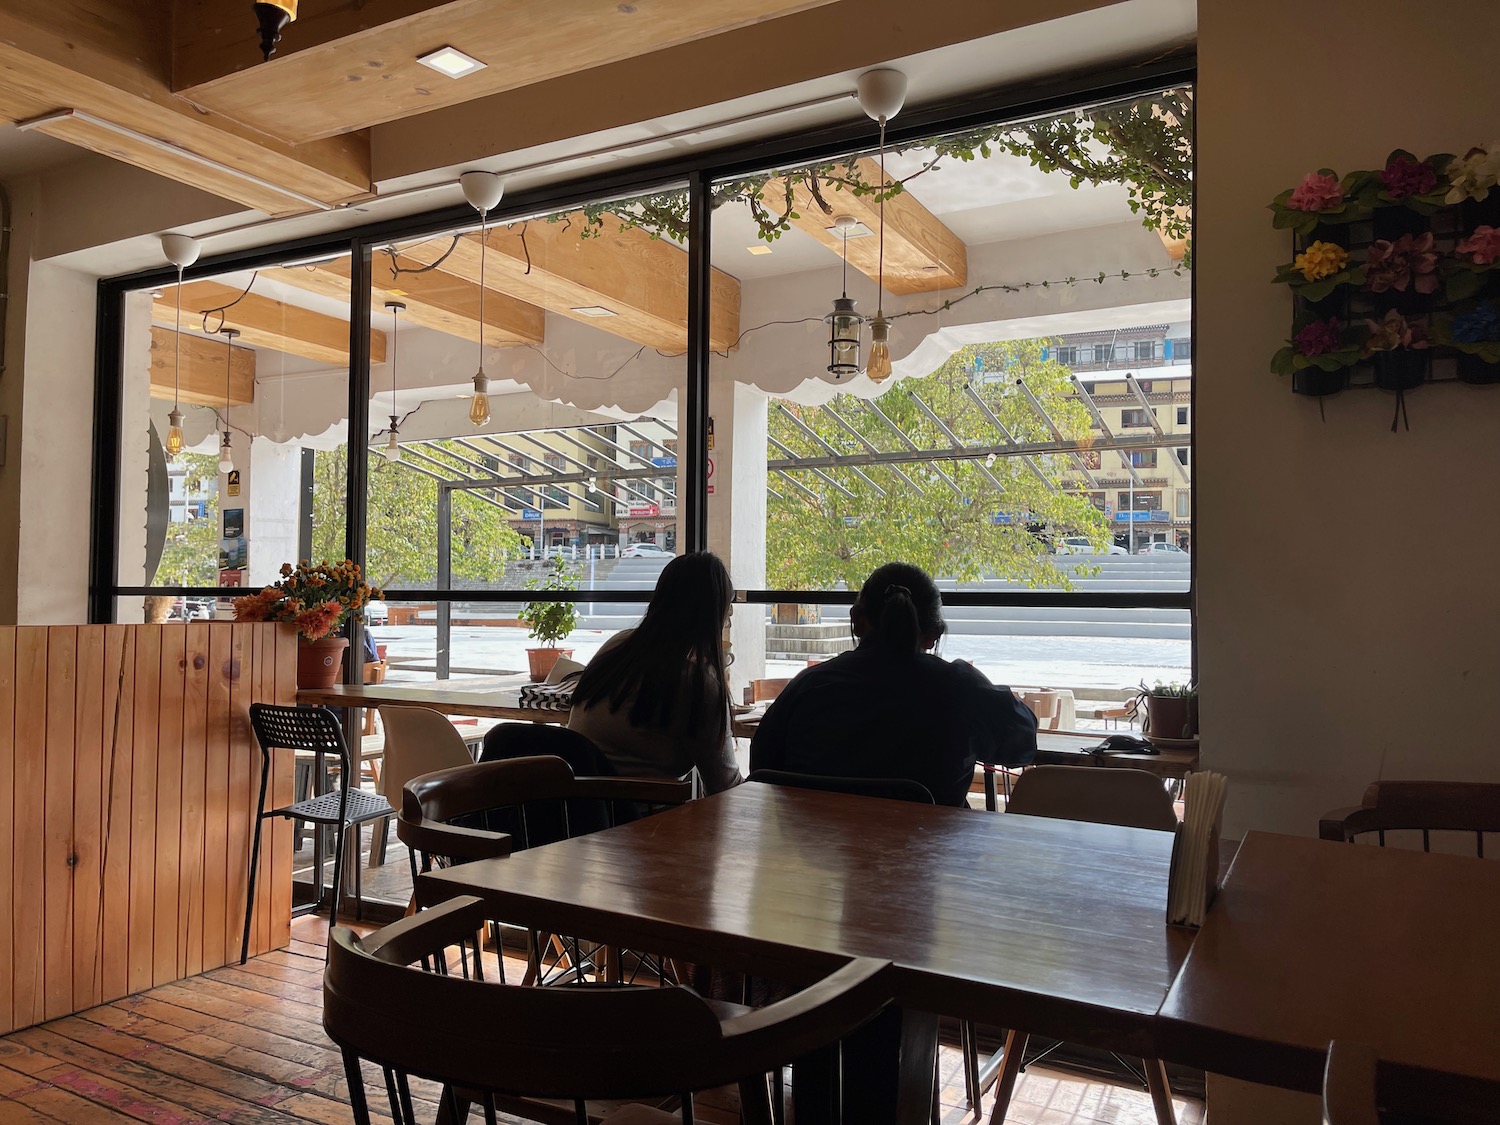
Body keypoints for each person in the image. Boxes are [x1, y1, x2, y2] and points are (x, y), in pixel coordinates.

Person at [750, 560, 1037, 806]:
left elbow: (763, 768)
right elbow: (1021, 744)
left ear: (857, 622)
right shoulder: (960, 688)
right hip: (931, 864)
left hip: (820, 861)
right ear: (933, 635)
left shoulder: (809, 686)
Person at [568, 551, 742, 793]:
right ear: (714, 615)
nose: (729, 621)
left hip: (575, 806)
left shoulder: (619, 645)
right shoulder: (696, 681)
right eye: (728, 610)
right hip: (638, 819)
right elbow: (725, 785)